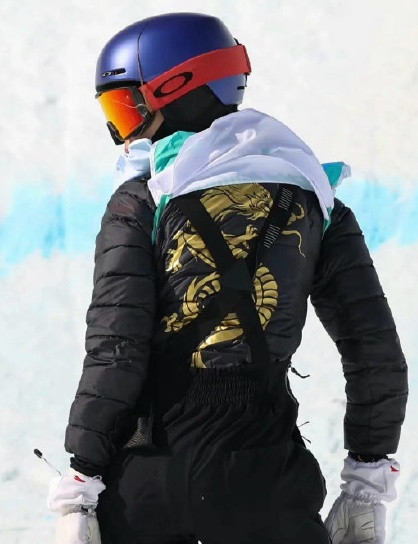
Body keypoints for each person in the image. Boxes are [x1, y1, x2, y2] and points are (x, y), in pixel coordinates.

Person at [47, 12, 408, 544]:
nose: (123, 137)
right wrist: (366, 485)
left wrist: (80, 482)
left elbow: (116, 351)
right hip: (271, 488)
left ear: (178, 90)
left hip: (152, 489)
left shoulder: (140, 202)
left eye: (127, 109)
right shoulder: (320, 201)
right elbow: (374, 352)